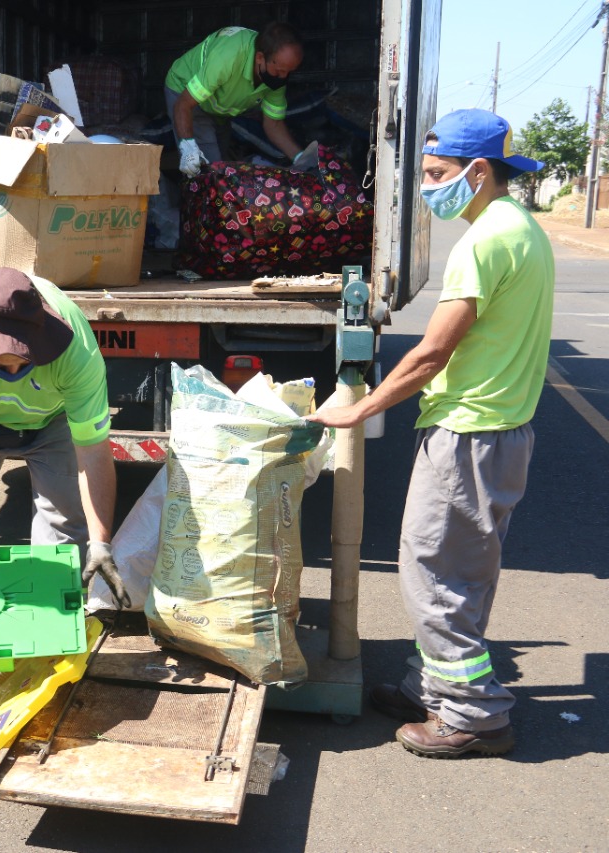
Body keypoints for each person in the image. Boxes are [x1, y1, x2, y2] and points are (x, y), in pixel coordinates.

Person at [309, 109, 554, 758]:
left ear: (479, 172)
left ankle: (474, 715)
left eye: (438, 174)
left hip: (469, 432)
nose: (427, 186)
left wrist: (358, 409)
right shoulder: (520, 227)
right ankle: (434, 688)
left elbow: (430, 353)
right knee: (461, 572)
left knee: (435, 575)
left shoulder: (484, 242)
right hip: (501, 431)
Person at [0, 267, 129, 607]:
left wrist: (101, 542)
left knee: (64, 533)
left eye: (25, 358)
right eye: (0, 363)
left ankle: (52, 626)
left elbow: (92, 452)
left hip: (53, 422)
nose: (13, 374)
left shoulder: (76, 349)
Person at [164, 23, 311, 176]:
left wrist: (301, 158)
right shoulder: (227, 57)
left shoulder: (275, 75)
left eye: (288, 72)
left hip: (219, 110)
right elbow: (183, 104)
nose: (283, 77)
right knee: (208, 173)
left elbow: (273, 124)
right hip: (186, 96)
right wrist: (188, 147)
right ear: (260, 58)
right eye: (280, 71)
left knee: (220, 167)